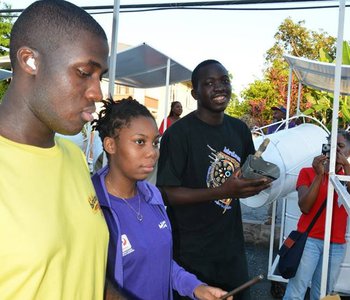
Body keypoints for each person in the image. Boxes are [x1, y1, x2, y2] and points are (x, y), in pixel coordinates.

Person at [0, 1, 111, 299]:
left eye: (100, 76)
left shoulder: (73, 157)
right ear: (30, 61)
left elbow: (86, 273)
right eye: (85, 72)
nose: (97, 93)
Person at [91, 97, 231, 300]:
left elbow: (160, 263)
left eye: (155, 143)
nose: (152, 153)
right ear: (110, 145)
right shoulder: (92, 205)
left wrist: (195, 287)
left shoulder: (152, 196)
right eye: (140, 142)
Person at [156, 59, 272, 300]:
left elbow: (246, 176)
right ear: (195, 92)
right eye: (209, 83)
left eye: (224, 81)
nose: (220, 87)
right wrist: (222, 191)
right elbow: (166, 193)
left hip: (231, 250)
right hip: (190, 253)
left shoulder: (239, 130)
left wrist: (257, 184)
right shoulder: (178, 134)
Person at [283, 130, 350, 300]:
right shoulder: (308, 172)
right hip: (309, 240)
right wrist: (320, 175)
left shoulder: (346, 177)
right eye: (332, 146)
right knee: (296, 291)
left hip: (336, 244)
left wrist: (347, 167)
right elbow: (305, 206)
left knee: (323, 293)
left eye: (341, 147)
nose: (335, 152)